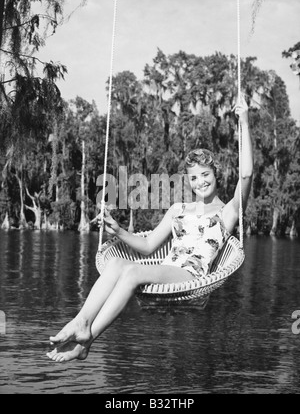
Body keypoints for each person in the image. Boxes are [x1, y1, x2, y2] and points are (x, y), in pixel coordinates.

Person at [47, 96, 253, 363]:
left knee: (132, 271)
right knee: (118, 263)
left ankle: (88, 334)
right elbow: (148, 246)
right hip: (166, 271)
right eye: (193, 177)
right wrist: (118, 230)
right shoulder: (178, 210)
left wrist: (244, 122)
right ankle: (82, 322)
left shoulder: (228, 212)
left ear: (217, 174)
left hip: (190, 278)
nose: (200, 182)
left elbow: (246, 174)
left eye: (205, 174)